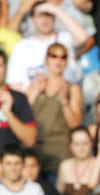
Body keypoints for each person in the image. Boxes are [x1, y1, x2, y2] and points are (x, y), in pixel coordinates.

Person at [25, 42, 84, 183]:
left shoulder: (72, 89)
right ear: (46, 60)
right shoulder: (35, 86)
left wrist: (64, 102)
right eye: (54, 56)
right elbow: (24, 119)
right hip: (36, 151)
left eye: (63, 57)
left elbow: (75, 124)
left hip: (60, 152)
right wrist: (34, 95)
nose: (58, 60)